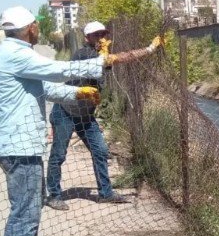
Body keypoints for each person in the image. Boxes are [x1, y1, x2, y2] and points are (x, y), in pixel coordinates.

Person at [0, 6, 161, 236]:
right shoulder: (17, 54)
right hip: (18, 145)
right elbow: (60, 70)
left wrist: (77, 91)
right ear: (30, 28)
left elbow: (45, 88)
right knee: (26, 209)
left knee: (28, 206)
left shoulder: (14, 54)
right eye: (37, 25)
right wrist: (101, 64)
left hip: (20, 143)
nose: (39, 29)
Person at [46, 21, 154, 209]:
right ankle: (54, 195)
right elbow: (113, 59)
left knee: (100, 151)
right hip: (66, 111)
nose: (100, 38)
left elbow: (120, 57)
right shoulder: (83, 54)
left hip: (85, 115)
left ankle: (105, 193)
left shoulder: (99, 55)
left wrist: (149, 49)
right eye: (96, 35)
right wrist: (148, 49)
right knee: (58, 155)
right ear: (87, 38)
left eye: (103, 35)